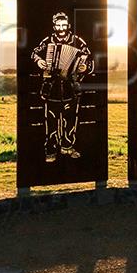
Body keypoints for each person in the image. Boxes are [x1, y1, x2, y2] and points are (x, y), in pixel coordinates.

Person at [32, 12, 92, 162]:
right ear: (54, 26)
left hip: (71, 88)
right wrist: (39, 61)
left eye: (64, 25)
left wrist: (86, 67)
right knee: (51, 121)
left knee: (70, 120)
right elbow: (34, 53)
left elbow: (89, 59)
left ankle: (67, 147)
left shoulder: (77, 41)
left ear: (68, 25)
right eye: (58, 26)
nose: (61, 28)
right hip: (51, 88)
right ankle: (51, 150)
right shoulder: (48, 41)